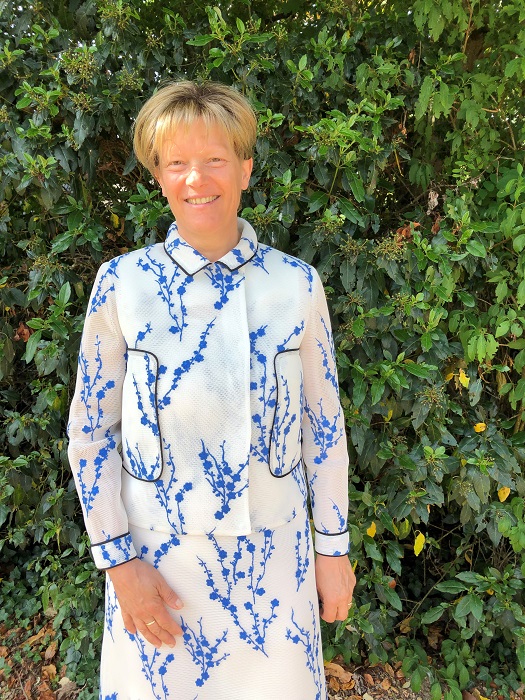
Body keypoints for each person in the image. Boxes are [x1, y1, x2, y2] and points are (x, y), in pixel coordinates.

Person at [67, 80, 356, 700]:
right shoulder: (121, 284)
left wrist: (333, 550)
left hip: (276, 567)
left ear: (245, 168)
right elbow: (89, 434)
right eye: (177, 163)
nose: (196, 178)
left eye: (215, 159)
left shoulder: (296, 285)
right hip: (159, 567)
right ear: (159, 178)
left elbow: (324, 427)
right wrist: (119, 564)